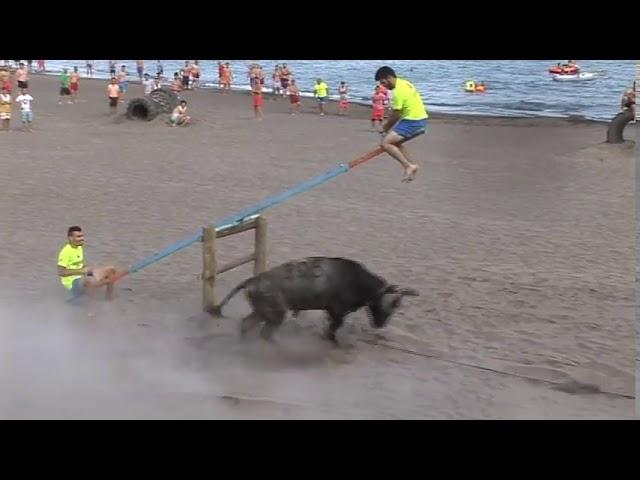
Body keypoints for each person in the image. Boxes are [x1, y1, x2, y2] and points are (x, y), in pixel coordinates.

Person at [375, 66, 428, 183]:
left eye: (383, 82)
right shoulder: (405, 82)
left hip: (414, 121)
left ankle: (408, 166)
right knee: (395, 142)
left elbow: (396, 114)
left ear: (389, 77)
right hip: (417, 118)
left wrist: (384, 128)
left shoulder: (398, 92)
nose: (383, 86)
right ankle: (412, 165)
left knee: (385, 143)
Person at [57, 226, 117, 302]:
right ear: (71, 238)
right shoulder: (65, 252)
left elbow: (76, 265)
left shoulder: (78, 247)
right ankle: (90, 311)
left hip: (81, 277)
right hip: (72, 283)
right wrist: (82, 271)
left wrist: (88, 267)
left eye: (82, 236)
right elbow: (61, 272)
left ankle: (109, 300)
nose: (82, 238)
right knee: (90, 280)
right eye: (79, 236)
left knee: (111, 270)